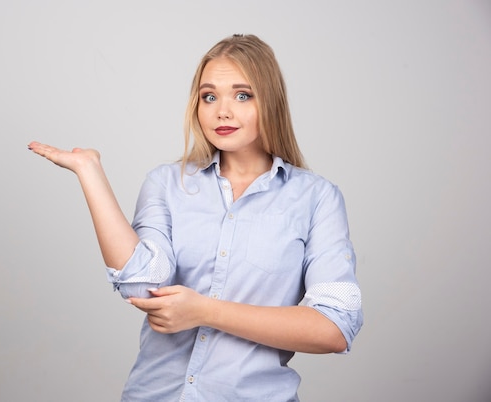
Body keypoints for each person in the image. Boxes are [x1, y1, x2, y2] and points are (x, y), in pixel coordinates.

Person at [28, 34, 363, 401]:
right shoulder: (167, 183)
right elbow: (142, 284)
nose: (222, 111)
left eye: (242, 95)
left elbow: (334, 327)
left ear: (271, 102)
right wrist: (90, 173)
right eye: (209, 96)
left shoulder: (317, 198)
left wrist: (204, 311)